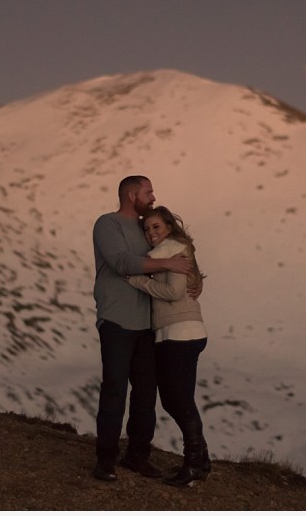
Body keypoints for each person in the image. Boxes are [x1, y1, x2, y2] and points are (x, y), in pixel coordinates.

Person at [91, 176, 193, 482]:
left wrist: (193, 277)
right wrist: (168, 266)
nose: (153, 196)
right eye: (148, 192)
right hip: (117, 319)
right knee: (114, 389)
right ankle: (105, 460)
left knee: (146, 393)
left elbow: (177, 249)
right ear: (131, 194)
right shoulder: (107, 224)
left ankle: (137, 455)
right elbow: (122, 262)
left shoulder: (145, 227)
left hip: (148, 323)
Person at [126, 205, 211, 487]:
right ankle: (201, 459)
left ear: (169, 229)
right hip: (175, 333)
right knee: (175, 400)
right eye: (147, 229)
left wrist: (137, 280)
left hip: (181, 333)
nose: (151, 234)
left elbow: (174, 292)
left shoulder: (170, 249)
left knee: (180, 401)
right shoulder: (171, 251)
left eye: (156, 227)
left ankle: (194, 465)